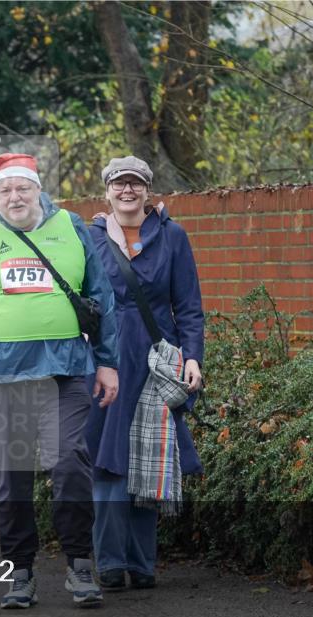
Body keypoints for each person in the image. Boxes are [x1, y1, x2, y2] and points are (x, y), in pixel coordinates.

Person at [0, 153, 120, 609]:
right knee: (9, 477)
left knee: (70, 462)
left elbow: (101, 297)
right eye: (4, 190)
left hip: (65, 371)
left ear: (38, 189)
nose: (13, 197)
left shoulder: (73, 228)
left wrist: (107, 361)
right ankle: (21, 573)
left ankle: (79, 564)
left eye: (22, 188)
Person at [85, 156, 205, 590]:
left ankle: (142, 563)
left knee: (148, 457)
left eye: (136, 183)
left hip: (155, 360)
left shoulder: (172, 236)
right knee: (107, 460)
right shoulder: (89, 238)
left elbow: (189, 306)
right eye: (120, 183)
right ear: (108, 191)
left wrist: (192, 357)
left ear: (148, 190)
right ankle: (111, 562)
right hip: (104, 359)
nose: (128, 190)